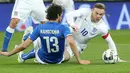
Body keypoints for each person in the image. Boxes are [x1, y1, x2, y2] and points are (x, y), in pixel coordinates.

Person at [0, 4, 91, 64]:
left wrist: (9, 53)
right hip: (57, 61)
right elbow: (71, 42)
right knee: (68, 54)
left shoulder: (40, 27)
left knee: (37, 38)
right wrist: (79, 60)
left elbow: (24, 46)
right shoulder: (64, 27)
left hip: (42, 59)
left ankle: (27, 37)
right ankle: (26, 43)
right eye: (61, 14)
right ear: (59, 16)